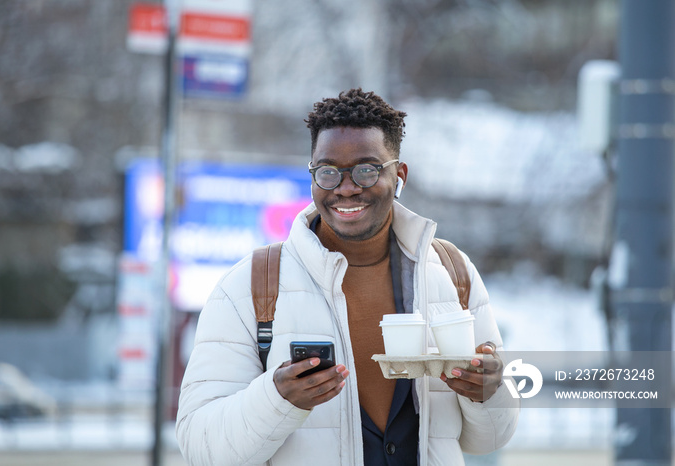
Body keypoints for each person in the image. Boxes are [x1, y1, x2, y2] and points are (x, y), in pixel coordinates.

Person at [176, 88, 519, 466]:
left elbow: (490, 438)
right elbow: (199, 446)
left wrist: (488, 391)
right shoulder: (250, 287)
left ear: (399, 175)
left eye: (366, 170)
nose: (346, 187)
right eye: (328, 172)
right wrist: (277, 400)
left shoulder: (452, 273)